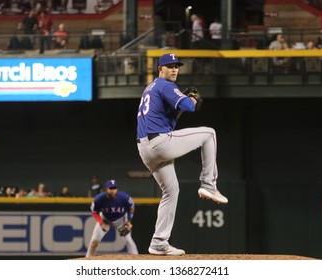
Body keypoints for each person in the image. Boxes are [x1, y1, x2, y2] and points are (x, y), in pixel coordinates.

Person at [136, 53, 228, 256]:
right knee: (209, 134)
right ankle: (208, 184)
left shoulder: (150, 88)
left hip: (145, 148)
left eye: (176, 66)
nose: (174, 69)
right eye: (169, 66)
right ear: (160, 69)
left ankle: (159, 242)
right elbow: (188, 106)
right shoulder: (165, 85)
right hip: (159, 143)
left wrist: (182, 105)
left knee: (171, 191)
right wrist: (192, 99)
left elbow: (169, 118)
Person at [85, 179, 138, 256]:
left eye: (114, 188)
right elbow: (94, 212)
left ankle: (137, 260)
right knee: (94, 242)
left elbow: (132, 207)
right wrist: (101, 223)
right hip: (105, 219)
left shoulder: (124, 197)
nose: (113, 190)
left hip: (121, 220)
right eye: (110, 188)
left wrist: (129, 221)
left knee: (129, 240)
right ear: (106, 189)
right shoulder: (99, 199)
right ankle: (87, 261)